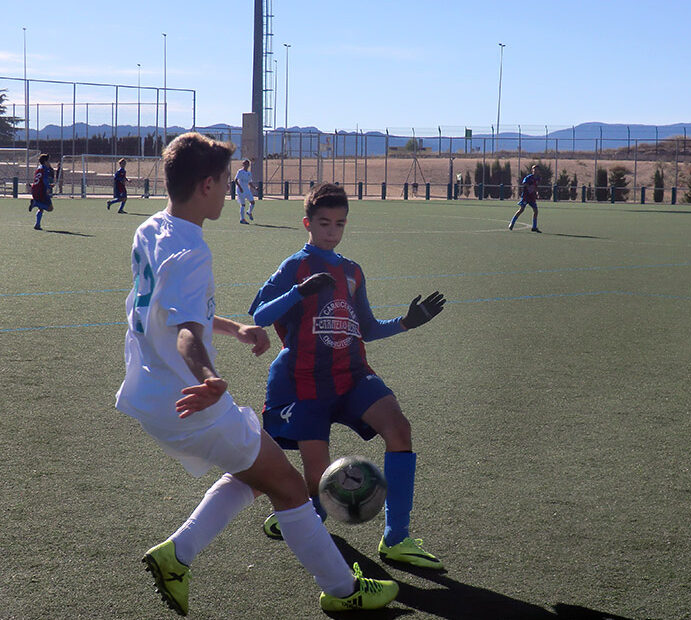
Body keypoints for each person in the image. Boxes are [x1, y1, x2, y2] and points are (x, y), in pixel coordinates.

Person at [115, 133, 398, 615]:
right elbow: (185, 334)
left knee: (253, 472)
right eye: (226, 181)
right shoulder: (192, 251)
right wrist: (208, 375)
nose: (229, 190)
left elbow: (168, 311)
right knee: (288, 489)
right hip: (191, 400)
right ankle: (345, 592)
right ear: (206, 185)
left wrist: (236, 329)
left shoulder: (152, 229)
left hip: (149, 392)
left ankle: (176, 554)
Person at [248, 182, 446, 570]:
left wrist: (406, 323)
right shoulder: (295, 267)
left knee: (399, 429)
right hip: (306, 379)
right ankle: (305, 515)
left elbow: (367, 328)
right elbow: (259, 315)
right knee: (318, 482)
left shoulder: (352, 270)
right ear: (307, 223)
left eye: (339, 224)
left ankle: (396, 537)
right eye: (324, 223)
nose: (331, 232)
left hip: (353, 373)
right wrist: (298, 293)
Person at [509, 164, 541, 232]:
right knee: (521, 209)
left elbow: (536, 186)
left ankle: (534, 227)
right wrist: (529, 187)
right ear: (532, 170)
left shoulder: (538, 178)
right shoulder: (529, 177)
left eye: (537, 170)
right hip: (526, 196)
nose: (535, 171)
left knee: (536, 211)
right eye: (534, 169)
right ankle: (512, 223)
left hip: (532, 197)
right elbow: (524, 183)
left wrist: (537, 192)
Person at [28, 154, 56, 231]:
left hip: (35, 190)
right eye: (48, 161)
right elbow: (44, 180)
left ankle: (37, 224)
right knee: (50, 208)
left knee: (41, 208)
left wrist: (48, 185)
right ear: (45, 161)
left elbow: (39, 180)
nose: (49, 163)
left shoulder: (38, 168)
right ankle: (35, 203)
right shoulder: (45, 169)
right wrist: (48, 187)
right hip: (41, 191)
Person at [234, 159, 257, 224]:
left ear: (248, 165)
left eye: (247, 164)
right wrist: (240, 188)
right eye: (244, 164)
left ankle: (249, 212)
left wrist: (255, 188)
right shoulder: (240, 171)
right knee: (243, 204)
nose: (246, 165)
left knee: (253, 202)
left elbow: (250, 182)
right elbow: (235, 180)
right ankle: (242, 219)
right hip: (240, 190)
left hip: (247, 190)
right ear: (243, 165)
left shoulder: (249, 173)